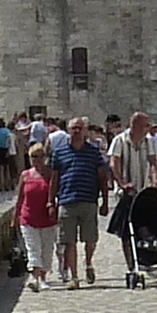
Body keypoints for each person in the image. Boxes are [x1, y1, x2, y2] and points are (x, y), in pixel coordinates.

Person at [50, 120, 110, 290]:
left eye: (80, 128)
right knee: (69, 241)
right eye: (73, 128)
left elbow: (102, 178)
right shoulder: (59, 153)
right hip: (66, 200)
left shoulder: (93, 152)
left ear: (85, 131)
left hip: (88, 200)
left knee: (90, 239)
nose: (76, 131)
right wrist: (50, 201)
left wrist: (105, 201)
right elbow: (54, 179)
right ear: (68, 130)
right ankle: (74, 277)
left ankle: (89, 262)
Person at [11, 143, 56, 280]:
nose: (36, 159)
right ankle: (35, 278)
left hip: (47, 219)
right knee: (33, 249)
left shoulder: (51, 174)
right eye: (33, 156)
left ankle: (43, 277)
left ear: (45, 157)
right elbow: (19, 198)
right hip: (28, 218)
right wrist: (15, 218)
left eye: (39, 156)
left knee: (47, 250)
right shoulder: (25, 175)